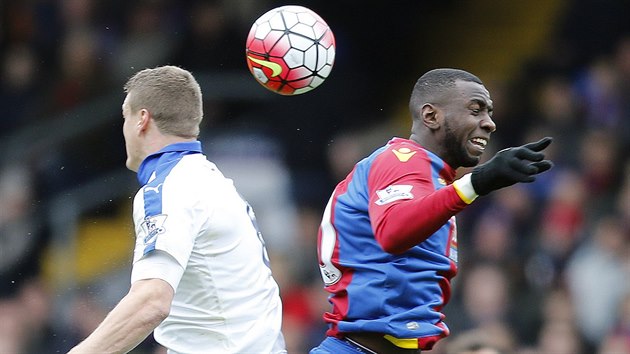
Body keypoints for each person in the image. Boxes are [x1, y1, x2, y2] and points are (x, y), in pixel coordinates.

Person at [310, 68, 553, 354]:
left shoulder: (432, 182)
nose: (489, 123)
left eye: (489, 112)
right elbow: (393, 231)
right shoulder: (403, 161)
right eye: (475, 110)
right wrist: (477, 182)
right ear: (431, 116)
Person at [68, 65, 286, 354]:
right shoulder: (211, 180)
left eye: (125, 116)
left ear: (141, 120)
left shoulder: (168, 188)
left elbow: (151, 303)